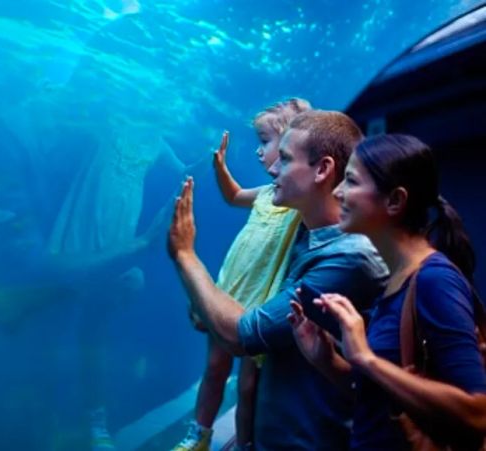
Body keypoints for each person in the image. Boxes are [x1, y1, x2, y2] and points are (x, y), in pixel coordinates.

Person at [167, 110, 388, 450]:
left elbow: (244, 335)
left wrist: (185, 255)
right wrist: (206, 301)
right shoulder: (302, 234)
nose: (271, 169)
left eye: (283, 159)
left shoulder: (348, 257)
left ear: (323, 169)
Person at [288, 134, 486, 450]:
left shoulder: (435, 280)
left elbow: (478, 414)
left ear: (394, 201)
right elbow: (381, 399)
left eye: (351, 181)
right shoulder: (398, 279)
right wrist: (327, 361)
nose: (337, 192)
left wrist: (366, 358)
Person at [173, 98, 309, 451]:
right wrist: (219, 166)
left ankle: (246, 444)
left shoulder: (296, 200)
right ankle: (199, 435)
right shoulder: (266, 193)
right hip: (229, 289)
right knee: (215, 369)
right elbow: (233, 196)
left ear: (291, 142)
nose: (259, 152)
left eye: (265, 142)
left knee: (249, 385)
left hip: (260, 304)